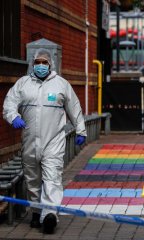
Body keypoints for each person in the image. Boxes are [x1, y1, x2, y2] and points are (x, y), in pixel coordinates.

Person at [2, 48, 87, 234]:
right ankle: (36, 212)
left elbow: (74, 107)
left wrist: (81, 130)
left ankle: (50, 215)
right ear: (33, 64)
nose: (41, 66)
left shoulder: (61, 85)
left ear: (50, 64)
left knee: (52, 178)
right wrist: (13, 116)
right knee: (32, 179)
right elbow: (9, 103)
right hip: (29, 142)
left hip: (53, 142)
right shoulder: (23, 84)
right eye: (37, 62)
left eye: (44, 62)